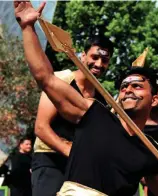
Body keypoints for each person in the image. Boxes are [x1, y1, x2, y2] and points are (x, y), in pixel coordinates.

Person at [14, 1, 158, 195]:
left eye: (137, 86)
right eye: (123, 87)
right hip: (52, 164)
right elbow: (45, 78)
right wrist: (28, 27)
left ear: (155, 99)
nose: (128, 89)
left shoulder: (150, 149)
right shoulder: (94, 115)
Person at [30, 9, 114, 196]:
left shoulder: (104, 99)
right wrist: (71, 151)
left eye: (105, 60)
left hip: (80, 168)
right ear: (83, 55)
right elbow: (41, 128)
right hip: (49, 159)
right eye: (95, 57)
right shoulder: (60, 80)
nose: (99, 64)